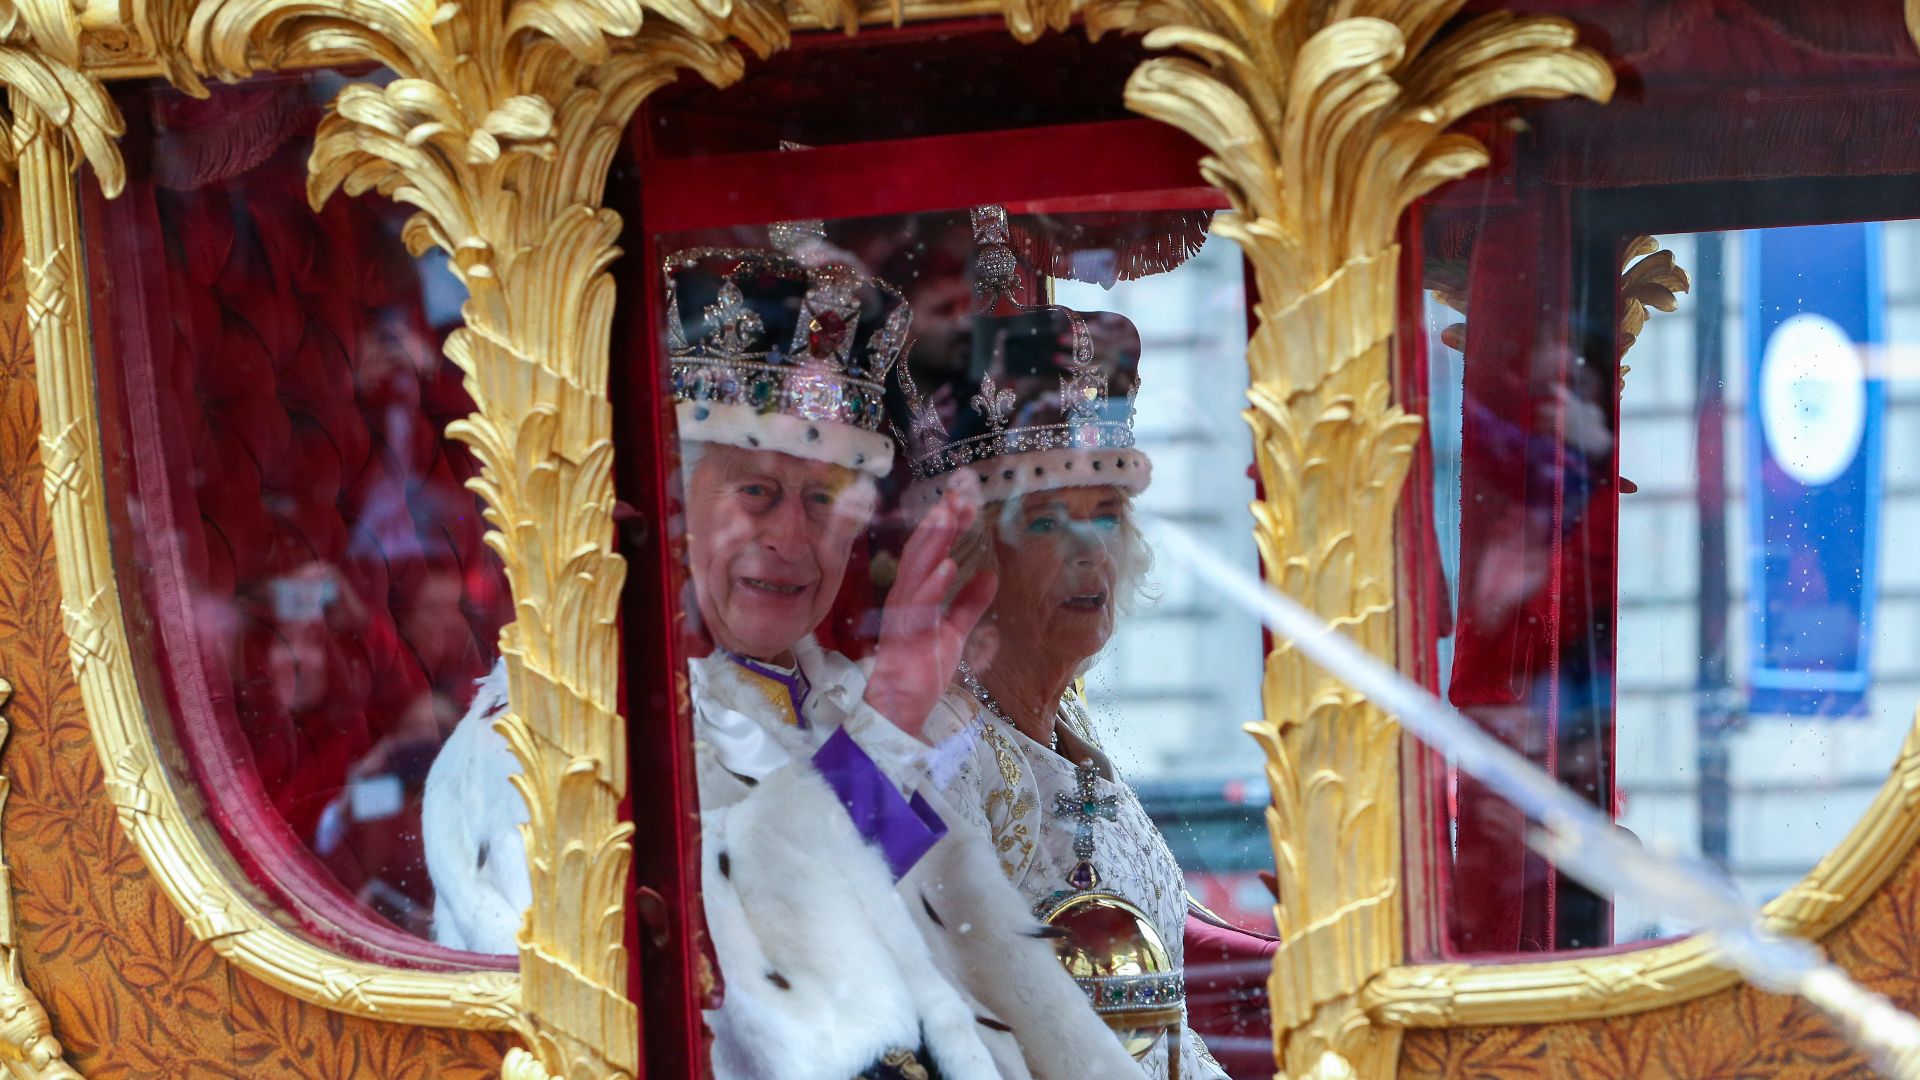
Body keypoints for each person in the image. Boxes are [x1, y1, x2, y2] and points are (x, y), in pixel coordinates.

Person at [425, 228, 1139, 1080]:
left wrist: (889, 726)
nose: (792, 539)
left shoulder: (828, 700)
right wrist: (886, 730)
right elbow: (727, 1015)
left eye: (822, 498)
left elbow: (965, 957)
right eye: (757, 492)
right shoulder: (546, 739)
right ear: (673, 502)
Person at [886, 207, 1228, 1080]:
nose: (1091, 553)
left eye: (1105, 515)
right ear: (973, 550)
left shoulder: (1066, 725)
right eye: (1047, 520)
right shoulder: (939, 743)